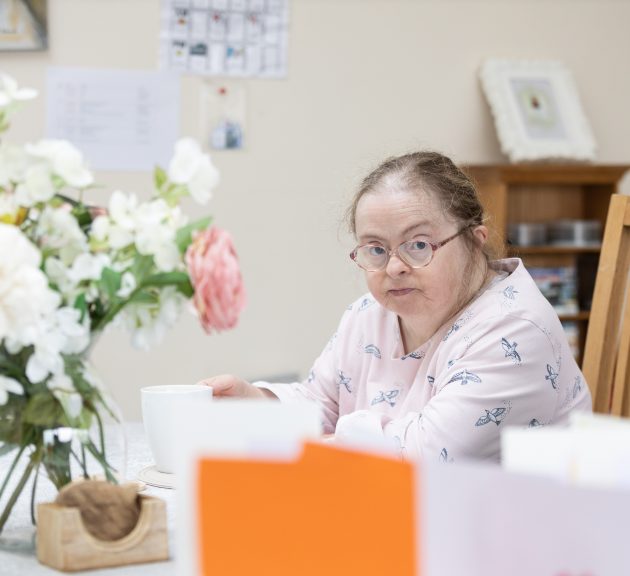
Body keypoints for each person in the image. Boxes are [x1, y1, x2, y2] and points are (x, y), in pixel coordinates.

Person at [200, 151, 592, 462]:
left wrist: (336, 435)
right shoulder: (368, 315)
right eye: (376, 249)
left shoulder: (515, 330)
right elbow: (322, 403)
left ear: (475, 240)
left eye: (418, 245)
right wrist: (253, 402)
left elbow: (424, 455)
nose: (394, 267)